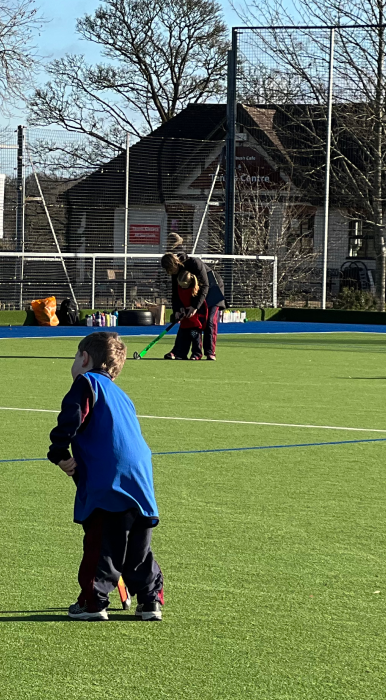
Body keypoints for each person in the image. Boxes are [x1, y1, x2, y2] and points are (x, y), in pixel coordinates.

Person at [47, 331, 164, 622]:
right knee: (138, 549)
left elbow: (72, 416)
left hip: (108, 480)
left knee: (102, 543)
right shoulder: (122, 395)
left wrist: (59, 452)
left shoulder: (85, 383)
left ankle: (93, 601)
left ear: (85, 358)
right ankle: (150, 601)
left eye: (76, 356)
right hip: (140, 480)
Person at [160, 245, 225, 361]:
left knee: (209, 321)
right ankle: (178, 351)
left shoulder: (194, 263)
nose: (170, 273)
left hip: (212, 288)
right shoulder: (175, 272)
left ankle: (210, 352)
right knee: (186, 320)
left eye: (170, 270)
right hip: (195, 292)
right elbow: (175, 294)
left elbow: (205, 286)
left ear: (175, 264)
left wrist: (195, 306)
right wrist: (177, 311)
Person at [166, 271, 204, 360]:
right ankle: (181, 353)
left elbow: (198, 303)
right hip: (184, 319)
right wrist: (180, 309)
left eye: (184, 285)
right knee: (183, 337)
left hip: (195, 319)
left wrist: (192, 309)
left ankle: (196, 354)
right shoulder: (179, 287)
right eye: (180, 285)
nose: (182, 287)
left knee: (195, 337)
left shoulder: (196, 290)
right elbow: (178, 300)